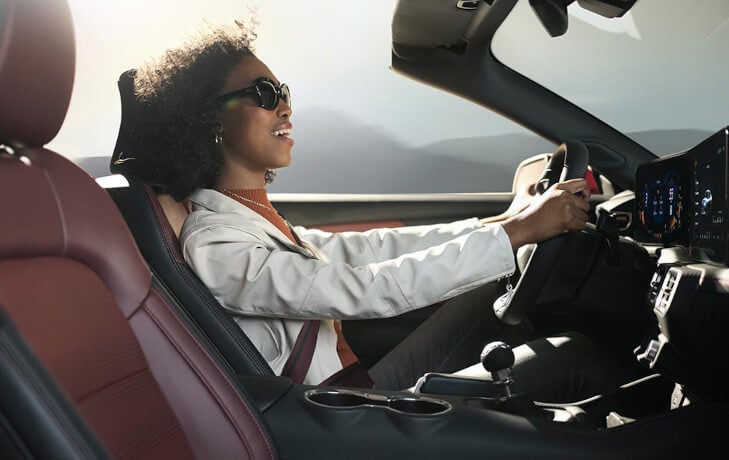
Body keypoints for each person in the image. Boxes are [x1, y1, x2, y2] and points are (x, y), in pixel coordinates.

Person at [125, 21, 634, 399]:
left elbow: (368, 249)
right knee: (574, 362)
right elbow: (367, 289)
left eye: (283, 92)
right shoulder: (214, 244)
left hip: (358, 391)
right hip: (346, 415)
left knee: (491, 295)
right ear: (208, 121)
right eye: (263, 94)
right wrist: (518, 232)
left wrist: (501, 223)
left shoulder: (252, 220)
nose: (285, 107)